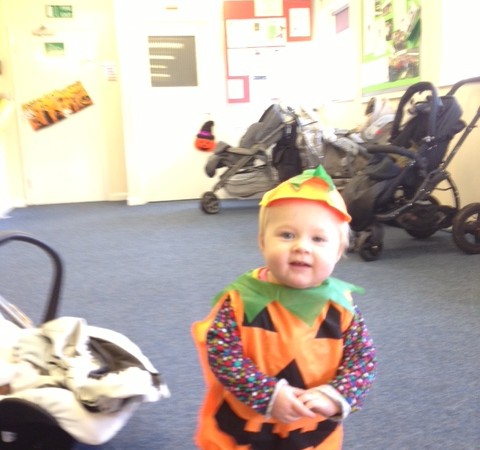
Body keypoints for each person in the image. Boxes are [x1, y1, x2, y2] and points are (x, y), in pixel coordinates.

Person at [191, 165, 377, 449]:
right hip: (248, 427)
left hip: (310, 430)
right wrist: (266, 394)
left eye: (318, 239)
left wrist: (336, 395)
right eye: (287, 235)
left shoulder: (341, 307)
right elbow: (223, 354)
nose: (302, 247)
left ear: (338, 252)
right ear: (262, 242)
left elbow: (362, 359)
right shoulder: (241, 300)